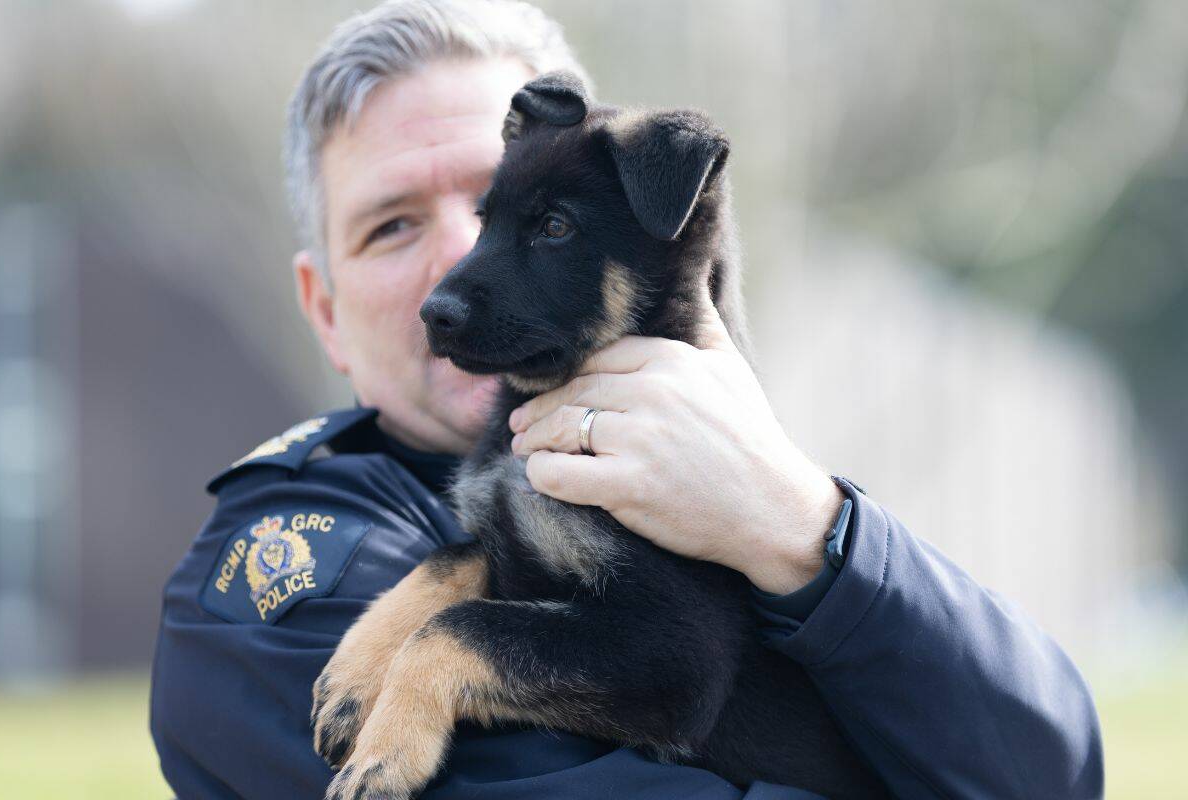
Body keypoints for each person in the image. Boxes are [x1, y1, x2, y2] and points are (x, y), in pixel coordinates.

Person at [149, 1, 1105, 798]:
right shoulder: (273, 577)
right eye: (393, 225)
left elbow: (1053, 768)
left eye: (535, 219)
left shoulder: (754, 507)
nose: (459, 263)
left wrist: (809, 536)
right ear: (320, 306)